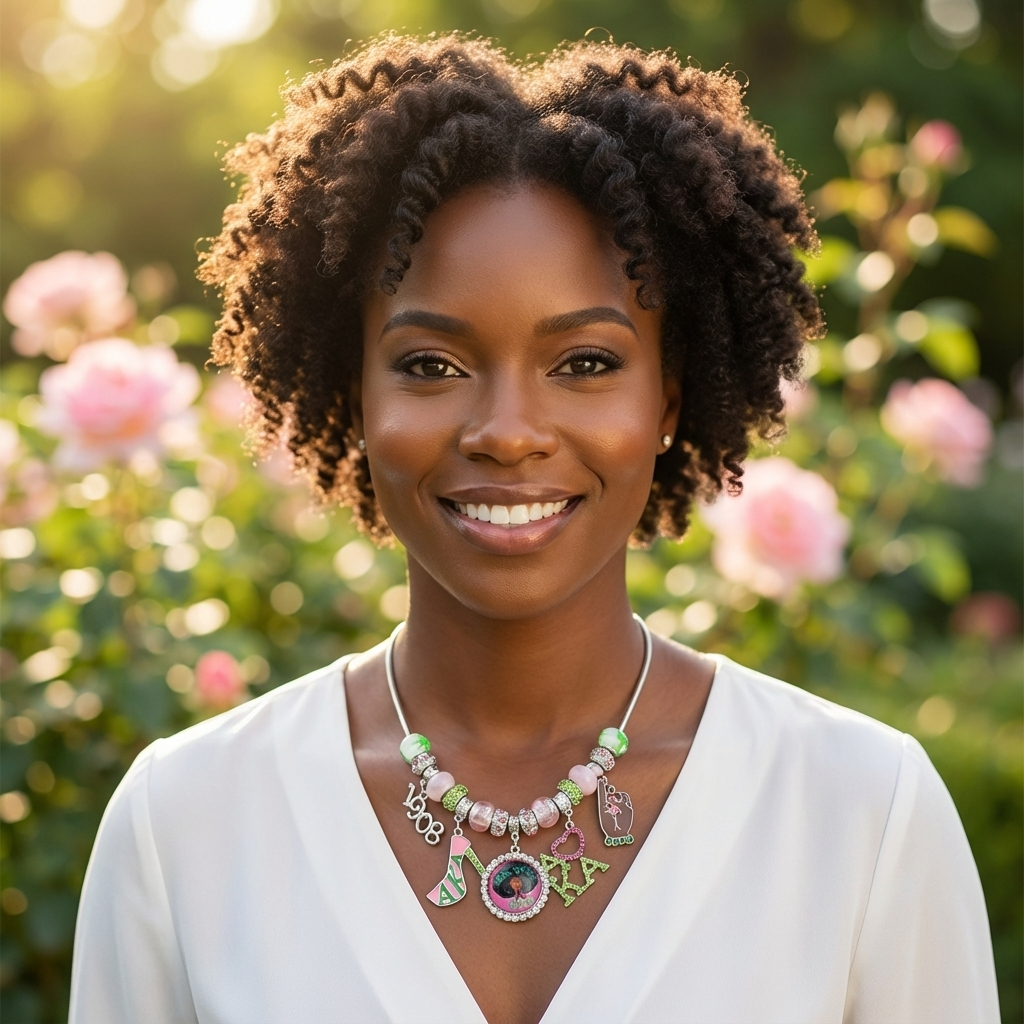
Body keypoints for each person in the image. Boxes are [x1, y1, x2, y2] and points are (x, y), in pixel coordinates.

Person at [69, 34, 999, 1024]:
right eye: (430, 363)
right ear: (355, 392)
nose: (507, 432)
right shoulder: (187, 822)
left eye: (586, 362)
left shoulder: (859, 810)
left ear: (669, 400)